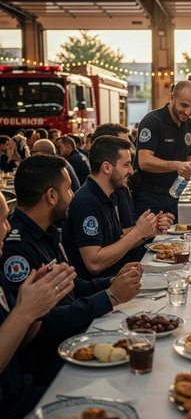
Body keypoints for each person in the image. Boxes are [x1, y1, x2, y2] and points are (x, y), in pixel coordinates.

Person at [0, 155, 142, 385]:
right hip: (49, 361)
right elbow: (40, 324)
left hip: (72, 336)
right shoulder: (18, 250)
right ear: (51, 196)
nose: (73, 195)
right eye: (68, 189)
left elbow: (70, 287)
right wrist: (109, 298)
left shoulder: (48, 230)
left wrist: (112, 282)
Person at [0, 191, 76, 418]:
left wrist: (38, 306)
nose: (6, 228)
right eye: (2, 220)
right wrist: (24, 312)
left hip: (21, 391)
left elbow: (18, 341)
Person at [63, 136, 170, 280]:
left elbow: (116, 241)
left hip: (116, 278)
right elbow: (94, 263)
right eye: (126, 165)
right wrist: (138, 232)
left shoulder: (108, 194)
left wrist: (149, 229)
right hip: (98, 291)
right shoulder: (87, 203)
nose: (131, 171)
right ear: (107, 167)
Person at [132, 80, 191, 222]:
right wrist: (176, 165)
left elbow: (188, 158)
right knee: (146, 241)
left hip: (174, 194)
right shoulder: (152, 121)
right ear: (172, 98)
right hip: (148, 195)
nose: (188, 112)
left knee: (172, 242)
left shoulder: (190, 125)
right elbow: (144, 161)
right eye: (184, 105)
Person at [90, 123, 137, 230]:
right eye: (124, 144)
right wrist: (141, 231)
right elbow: (116, 238)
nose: (131, 150)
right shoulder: (99, 194)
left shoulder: (118, 184)